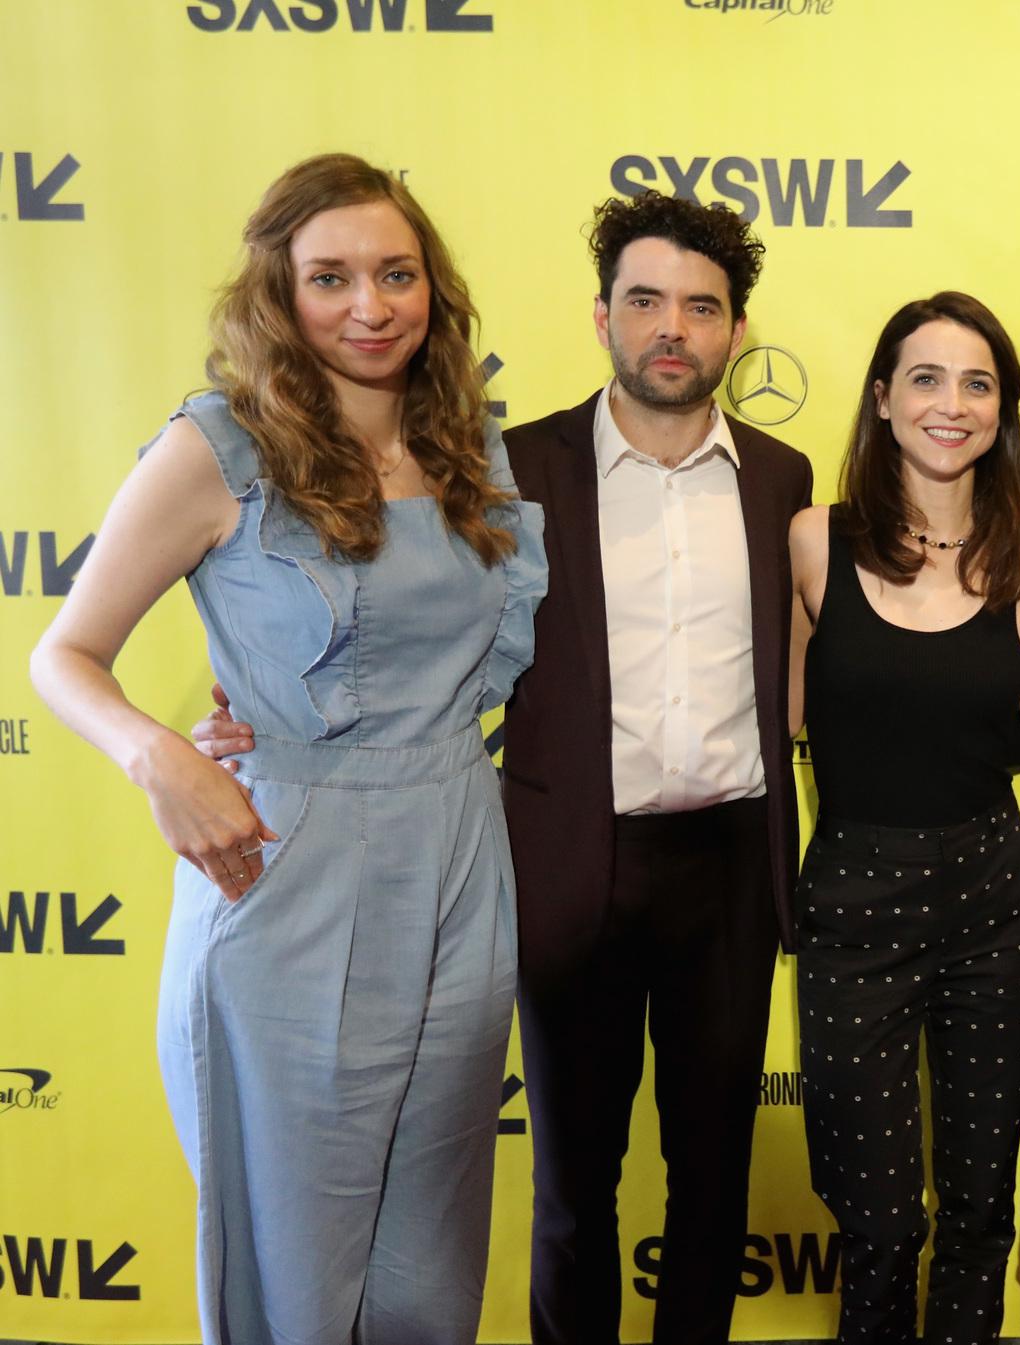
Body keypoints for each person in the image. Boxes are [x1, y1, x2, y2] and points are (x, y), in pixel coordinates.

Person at [197, 190, 811, 1344]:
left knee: (713, 1178)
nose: (670, 327)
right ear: (602, 317)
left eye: (700, 307)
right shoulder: (506, 465)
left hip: (729, 868)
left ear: (736, 330)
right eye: (644, 301)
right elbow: (396, 624)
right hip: (566, 859)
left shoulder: (781, 477)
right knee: (573, 1185)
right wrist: (258, 713)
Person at [29, 152, 546, 1343]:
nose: (370, 306)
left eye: (396, 274)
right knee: (294, 1271)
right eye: (330, 278)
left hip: (460, 856)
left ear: (433, 288)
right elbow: (63, 655)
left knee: (428, 1267)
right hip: (290, 865)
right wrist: (161, 756)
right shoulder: (219, 447)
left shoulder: (467, 443)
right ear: (279, 291)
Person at [788, 291, 1020, 1344]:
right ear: (881, 397)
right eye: (925, 378)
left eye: (976, 383)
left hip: (992, 901)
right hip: (851, 904)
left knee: (977, 1205)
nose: (950, 404)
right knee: (875, 1218)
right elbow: (770, 721)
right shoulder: (814, 542)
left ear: (1002, 410)